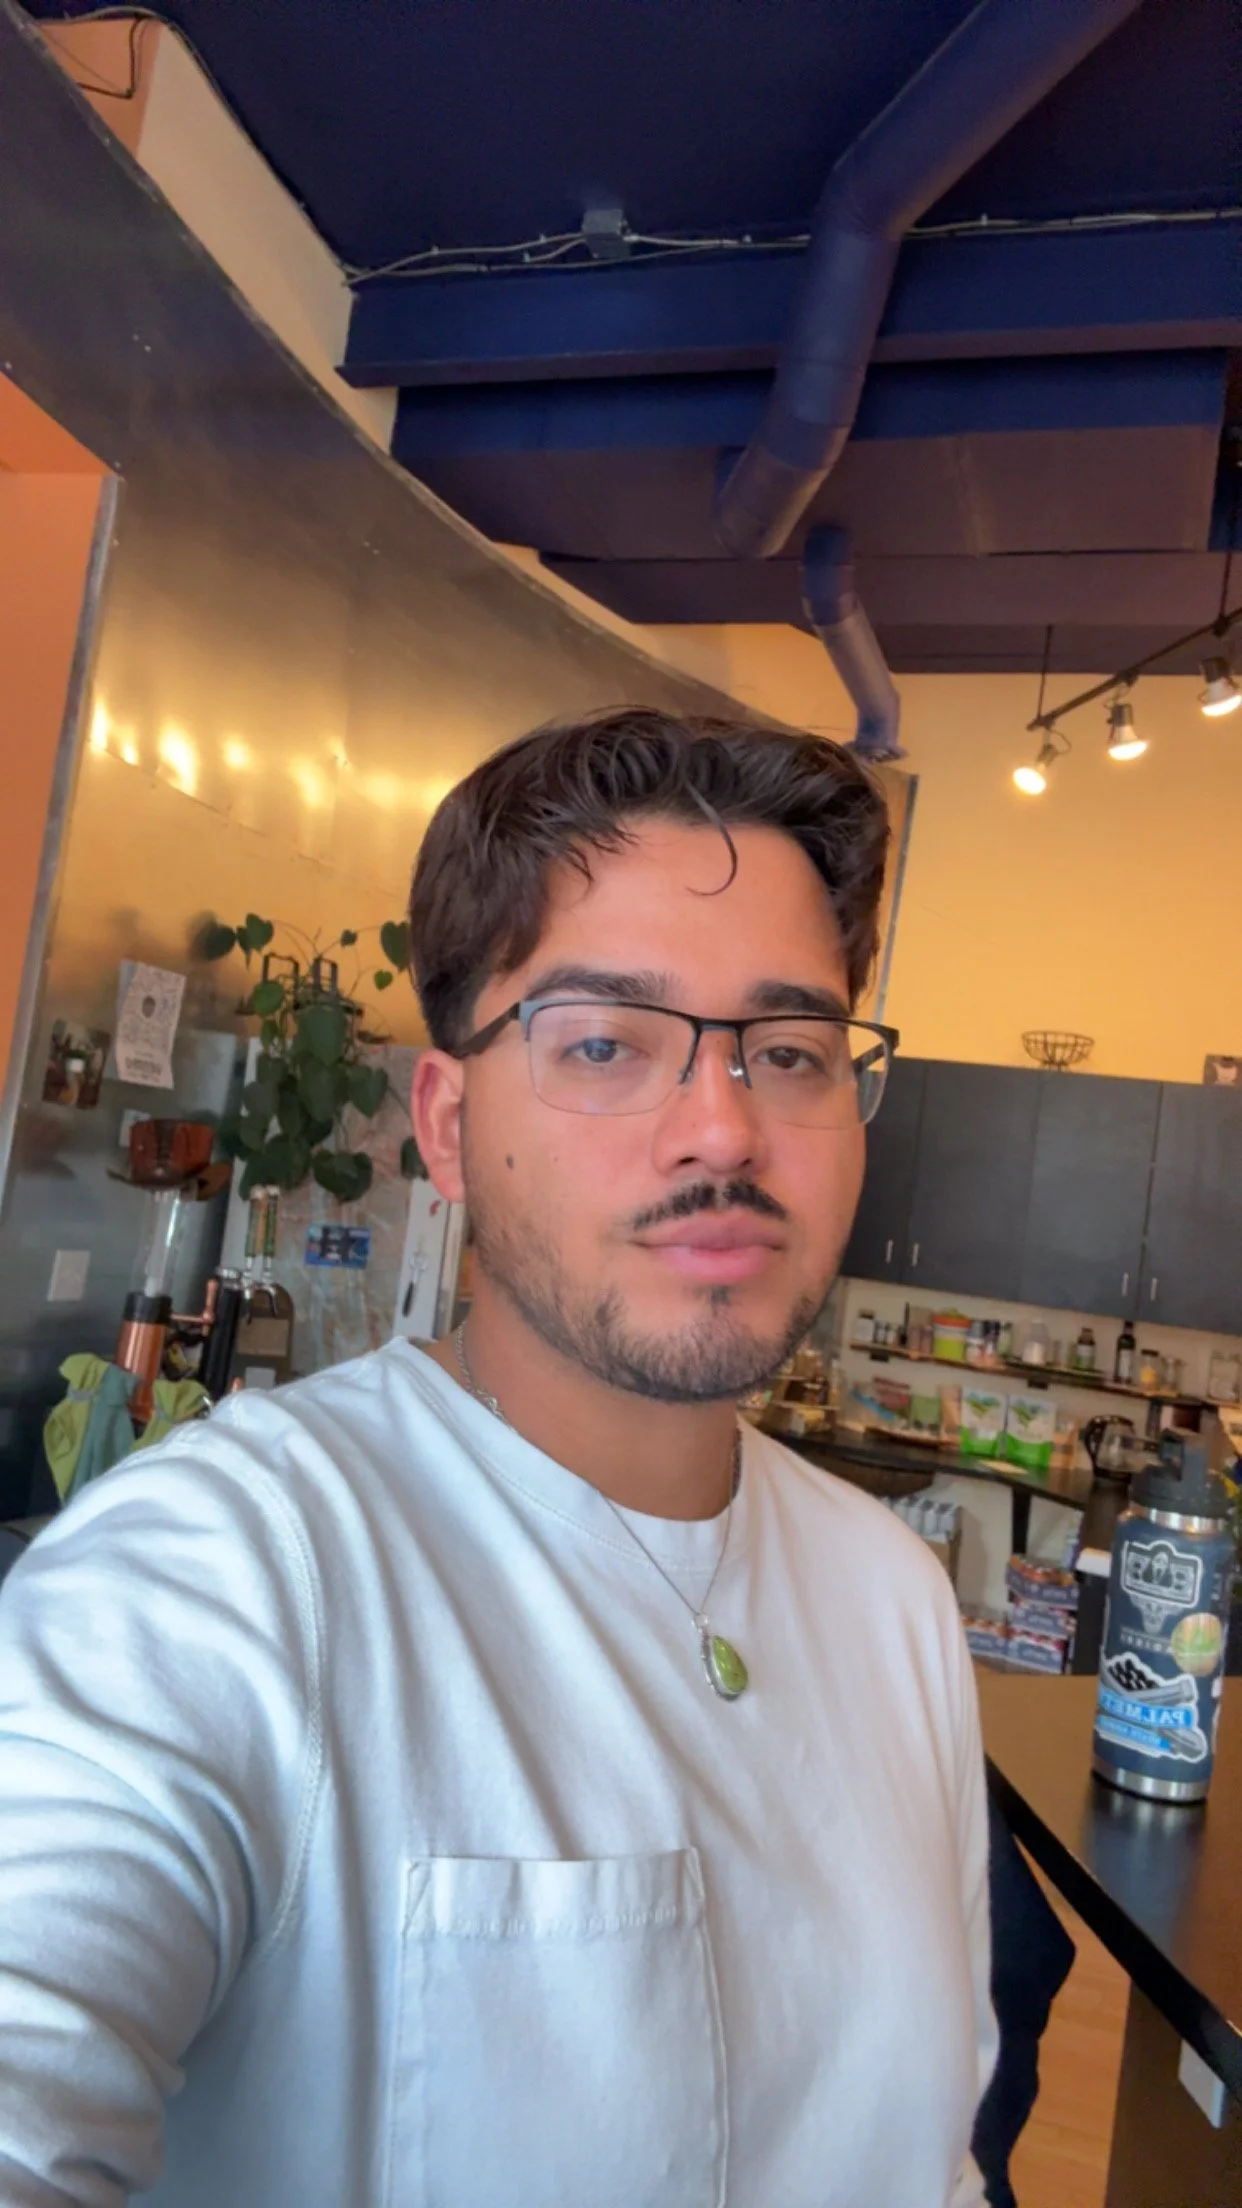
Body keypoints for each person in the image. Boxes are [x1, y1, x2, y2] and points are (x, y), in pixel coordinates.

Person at [0, 708, 996, 2206]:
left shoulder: (893, 1598)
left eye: (788, 1050)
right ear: (449, 1126)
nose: (718, 1127)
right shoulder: (231, 1573)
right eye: (603, 1042)